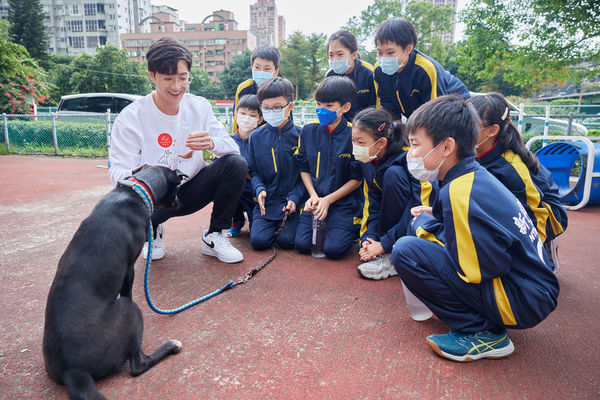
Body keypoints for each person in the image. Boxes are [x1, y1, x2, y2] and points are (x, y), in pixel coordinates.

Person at [391, 95, 559, 362]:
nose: (410, 153)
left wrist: (426, 226)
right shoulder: (471, 176)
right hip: (530, 289)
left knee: (405, 250)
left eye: (415, 144)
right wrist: (437, 219)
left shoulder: (459, 191)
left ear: (446, 147)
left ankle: (484, 332)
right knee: (418, 237)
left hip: (523, 299)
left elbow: (479, 269)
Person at [109, 37, 246, 264]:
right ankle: (153, 231)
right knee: (130, 197)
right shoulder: (131, 117)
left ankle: (214, 235)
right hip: (155, 198)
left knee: (235, 164)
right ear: (152, 76)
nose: (176, 86)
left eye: (182, 78)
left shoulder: (199, 106)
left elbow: (234, 148)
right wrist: (145, 184)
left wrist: (211, 143)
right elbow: (119, 173)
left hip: (191, 189)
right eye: (168, 78)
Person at [467, 93, 568, 271]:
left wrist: (533, 253)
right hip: (512, 205)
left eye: (470, 125)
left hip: (544, 215)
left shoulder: (511, 167)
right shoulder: (476, 151)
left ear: (492, 130)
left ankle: (545, 252)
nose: (462, 129)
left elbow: (537, 214)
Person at [352, 108, 436, 279]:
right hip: (392, 228)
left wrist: (384, 244)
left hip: (422, 221)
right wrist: (368, 240)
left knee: (393, 175)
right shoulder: (369, 160)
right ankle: (386, 250)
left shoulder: (411, 156)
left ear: (381, 142)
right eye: (353, 141)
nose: (355, 148)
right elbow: (371, 203)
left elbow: (419, 208)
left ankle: (393, 253)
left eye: (360, 143)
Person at [294, 76, 363, 259]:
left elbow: (357, 178)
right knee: (301, 245)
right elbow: (304, 168)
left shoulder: (354, 135)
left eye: (329, 106)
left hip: (342, 203)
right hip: (315, 201)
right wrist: (314, 196)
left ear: (345, 107)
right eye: (318, 104)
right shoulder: (308, 131)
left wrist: (329, 200)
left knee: (334, 250)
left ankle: (353, 227)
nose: (321, 110)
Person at [373, 18, 469, 121]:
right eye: (379, 52)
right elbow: (388, 106)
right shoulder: (379, 70)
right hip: (419, 115)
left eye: (390, 53)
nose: (383, 58)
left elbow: (433, 111)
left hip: (456, 110)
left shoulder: (426, 69)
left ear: (408, 49)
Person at [248, 77, 305, 250]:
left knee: (287, 242)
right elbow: (254, 171)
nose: (271, 111)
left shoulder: (302, 136)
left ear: (290, 106)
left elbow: (306, 175)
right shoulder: (255, 136)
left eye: (278, 107)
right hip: (267, 203)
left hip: (292, 204)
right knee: (258, 242)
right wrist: (260, 189)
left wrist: (295, 198)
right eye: (266, 108)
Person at [226, 94, 263, 238]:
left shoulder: (262, 142)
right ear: (235, 114)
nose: (246, 118)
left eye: (252, 115)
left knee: (257, 234)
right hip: (236, 190)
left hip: (255, 191)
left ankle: (255, 216)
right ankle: (237, 220)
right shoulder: (227, 141)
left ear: (260, 119)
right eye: (243, 113)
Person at [325, 30, 377, 121]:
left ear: (354, 55)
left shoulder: (369, 73)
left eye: (340, 54)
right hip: (341, 126)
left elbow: (377, 105)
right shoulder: (329, 75)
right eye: (331, 55)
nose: (335, 59)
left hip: (367, 124)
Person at [231, 46, 281, 133]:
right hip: (247, 138)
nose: (261, 72)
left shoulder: (281, 90)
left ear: (276, 71)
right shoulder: (243, 88)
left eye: (267, 69)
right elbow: (237, 117)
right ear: (252, 67)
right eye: (257, 68)